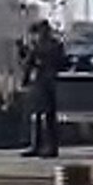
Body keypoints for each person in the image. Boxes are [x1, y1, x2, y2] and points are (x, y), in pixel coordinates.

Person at [20, 21, 67, 158]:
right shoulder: (55, 44)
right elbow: (63, 62)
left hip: (43, 81)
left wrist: (26, 79)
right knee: (44, 115)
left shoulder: (40, 45)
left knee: (43, 115)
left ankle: (42, 146)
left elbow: (29, 63)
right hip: (48, 80)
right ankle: (45, 146)